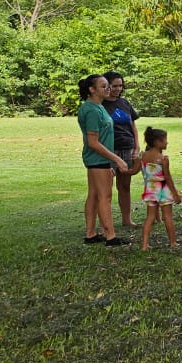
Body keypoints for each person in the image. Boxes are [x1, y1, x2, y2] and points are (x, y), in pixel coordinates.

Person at [77, 74, 133, 246]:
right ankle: (110, 236)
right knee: (105, 196)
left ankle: (91, 234)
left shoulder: (97, 107)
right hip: (97, 158)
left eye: (107, 86)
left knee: (94, 195)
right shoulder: (92, 110)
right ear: (92, 90)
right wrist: (116, 159)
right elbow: (93, 142)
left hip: (98, 159)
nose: (108, 88)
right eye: (103, 86)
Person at [102, 70, 141, 227]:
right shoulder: (101, 105)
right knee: (106, 188)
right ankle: (107, 222)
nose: (118, 89)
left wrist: (136, 146)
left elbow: (133, 124)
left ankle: (126, 219)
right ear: (106, 86)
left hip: (127, 147)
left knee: (124, 186)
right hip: (109, 150)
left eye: (120, 85)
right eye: (114, 86)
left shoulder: (124, 103)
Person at [140, 126, 182, 250]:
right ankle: (173, 242)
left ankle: (144, 244)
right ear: (157, 142)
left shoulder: (142, 156)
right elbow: (167, 177)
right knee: (167, 216)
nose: (166, 142)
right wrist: (175, 194)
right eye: (164, 140)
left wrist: (125, 170)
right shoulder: (163, 159)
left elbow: (134, 170)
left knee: (150, 217)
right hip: (163, 189)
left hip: (150, 190)